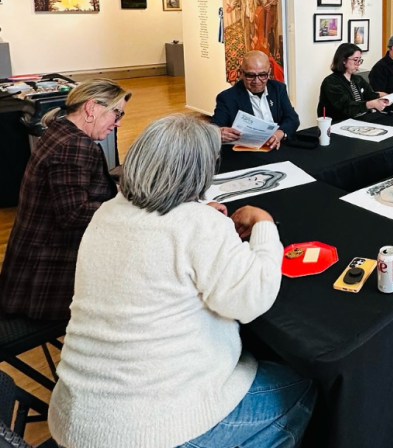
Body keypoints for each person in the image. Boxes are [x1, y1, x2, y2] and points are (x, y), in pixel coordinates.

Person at [48, 115, 316, 448]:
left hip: (74, 419)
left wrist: (200, 212)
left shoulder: (105, 213)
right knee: (305, 384)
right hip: (155, 429)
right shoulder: (198, 226)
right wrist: (263, 223)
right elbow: (253, 298)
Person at [0, 79, 130, 321]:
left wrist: (114, 189)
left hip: (28, 268)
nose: (118, 122)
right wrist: (126, 203)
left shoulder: (60, 131)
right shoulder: (75, 145)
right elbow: (73, 213)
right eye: (116, 113)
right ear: (91, 108)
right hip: (43, 280)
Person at [212, 50, 299, 149]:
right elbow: (214, 128)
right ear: (242, 73)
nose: (257, 81)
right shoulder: (227, 97)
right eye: (250, 75)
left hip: (276, 147)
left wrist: (279, 133)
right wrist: (218, 133)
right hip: (246, 153)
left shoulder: (278, 89)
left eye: (262, 75)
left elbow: (292, 119)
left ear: (269, 72)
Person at [318, 43, 388, 121]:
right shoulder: (331, 82)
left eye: (359, 60)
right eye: (355, 60)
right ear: (344, 60)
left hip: (360, 120)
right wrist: (370, 104)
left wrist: (390, 101)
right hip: (339, 123)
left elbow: (371, 95)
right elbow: (346, 107)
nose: (358, 63)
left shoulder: (358, 79)